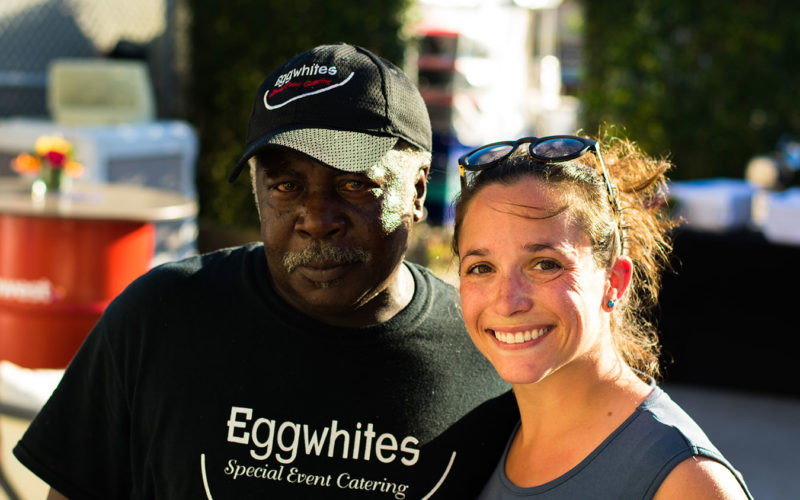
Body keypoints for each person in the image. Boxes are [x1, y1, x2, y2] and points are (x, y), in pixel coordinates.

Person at [14, 43, 517, 499]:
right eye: (286, 187)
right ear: (257, 190)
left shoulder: (493, 355)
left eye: (354, 185)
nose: (317, 220)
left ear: (417, 191)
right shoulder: (161, 316)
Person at [451, 134, 753, 499]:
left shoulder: (687, 482)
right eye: (481, 268)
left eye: (545, 264)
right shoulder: (480, 437)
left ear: (614, 280)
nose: (507, 302)